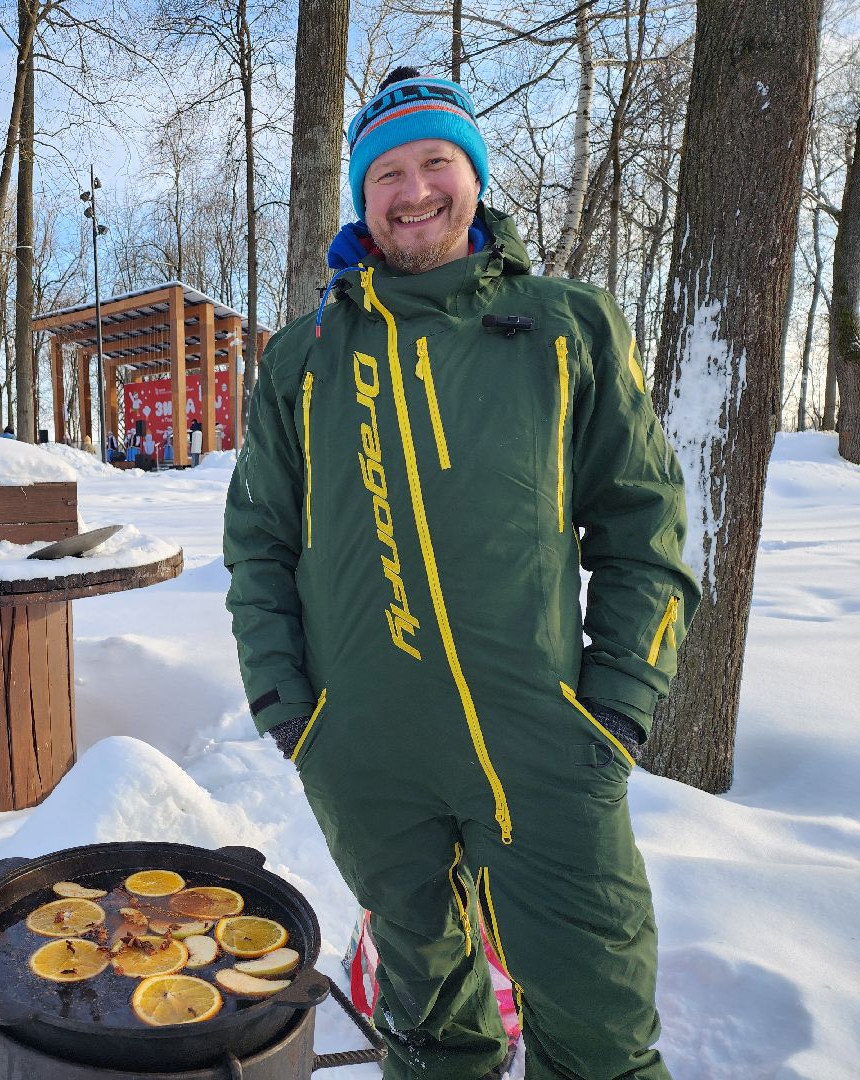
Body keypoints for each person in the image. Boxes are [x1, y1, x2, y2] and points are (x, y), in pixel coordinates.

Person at [223, 67, 700, 1080]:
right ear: (363, 198)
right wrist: (291, 709)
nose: (414, 191)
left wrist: (616, 707)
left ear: (474, 175)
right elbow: (258, 541)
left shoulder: (564, 327)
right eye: (386, 173)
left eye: (436, 162)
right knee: (430, 1032)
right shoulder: (303, 361)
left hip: (543, 749)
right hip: (366, 759)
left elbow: (644, 525)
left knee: (602, 1033)